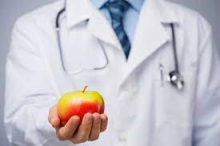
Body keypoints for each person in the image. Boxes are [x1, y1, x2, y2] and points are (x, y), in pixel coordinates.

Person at [4, 0, 220, 145]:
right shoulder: (34, 28)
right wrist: (52, 121)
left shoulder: (193, 28)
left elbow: (212, 131)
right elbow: (18, 121)